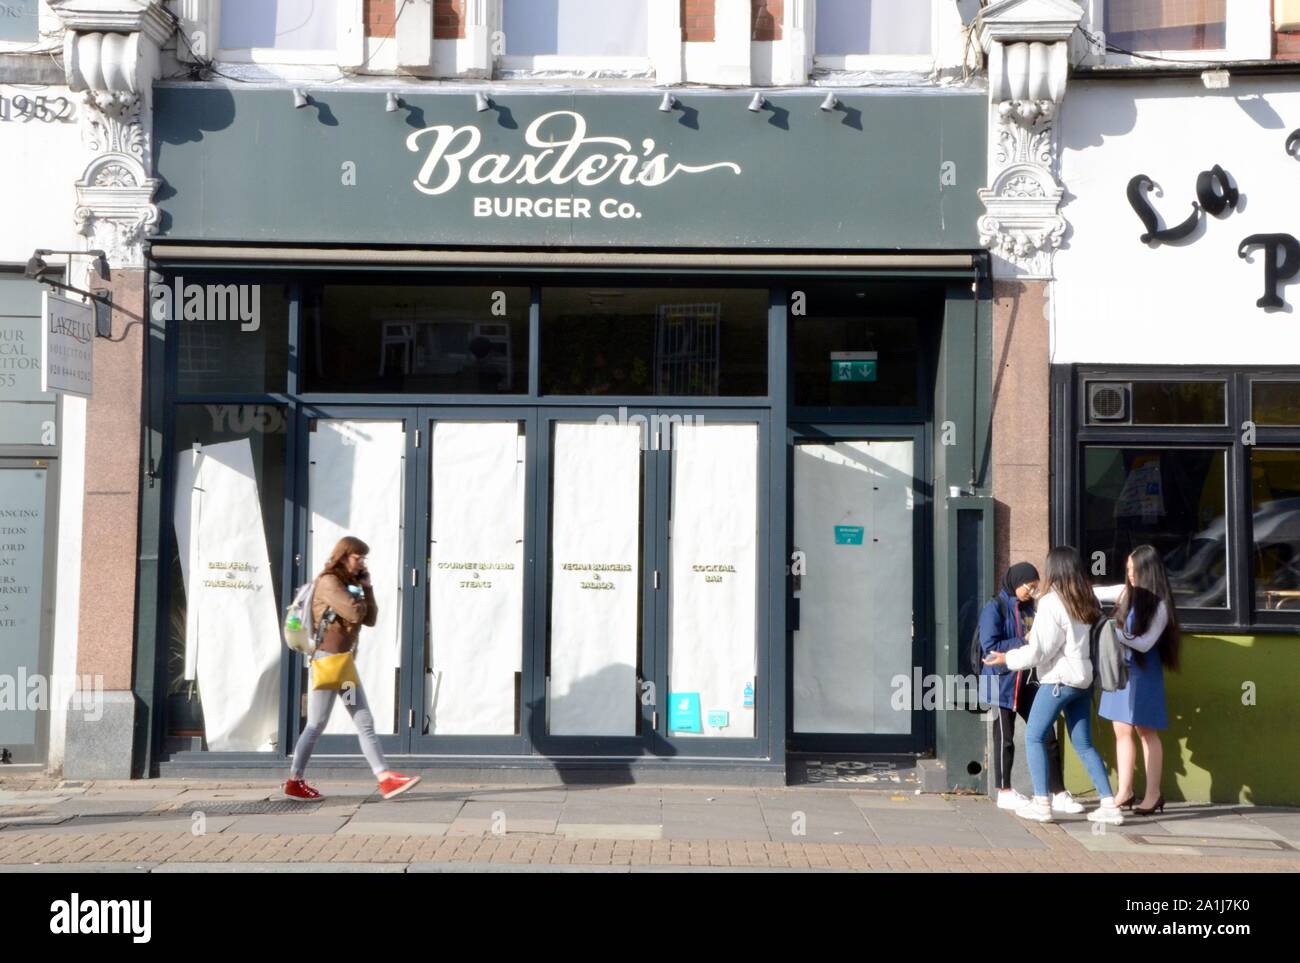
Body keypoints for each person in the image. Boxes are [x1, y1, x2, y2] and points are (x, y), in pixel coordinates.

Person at [983, 547, 1124, 824]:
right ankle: (1109, 804)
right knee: (1083, 743)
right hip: (1084, 681)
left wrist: (1006, 658)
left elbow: (1040, 652)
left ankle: (1042, 803)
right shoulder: (1084, 599)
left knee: (1034, 736)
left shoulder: (1052, 602)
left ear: (1054, 569)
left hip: (1059, 681)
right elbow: (1115, 592)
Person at [284, 536, 421, 801]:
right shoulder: (329, 582)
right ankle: (294, 781)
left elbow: (370, 618)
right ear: (344, 556)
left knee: (364, 721)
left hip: (342, 666)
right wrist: (359, 592)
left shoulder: (350, 584)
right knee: (315, 725)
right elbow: (355, 613)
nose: (361, 562)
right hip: (328, 663)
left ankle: (385, 778)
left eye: (363, 558)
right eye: (358, 557)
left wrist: (367, 587)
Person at [979, 562, 1083, 814]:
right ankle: (1004, 791)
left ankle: (1058, 792)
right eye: (1029, 586)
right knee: (1004, 737)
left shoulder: (1030, 609)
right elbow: (990, 646)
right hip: (1001, 680)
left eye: (1036, 587)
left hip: (1027, 681)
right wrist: (1023, 640)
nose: (1032, 592)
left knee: (1047, 733)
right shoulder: (995, 607)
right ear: (1016, 581)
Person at [1095, 545, 1181, 816]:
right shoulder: (1125, 593)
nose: (1129, 575)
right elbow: (1094, 592)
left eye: (1134, 570)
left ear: (1147, 571)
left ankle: (1153, 794)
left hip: (1143, 673)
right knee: (1121, 730)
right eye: (1128, 570)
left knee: (1146, 732)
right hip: (1122, 672)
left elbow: (1144, 644)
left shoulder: (1160, 605)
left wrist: (1112, 631)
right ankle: (1125, 791)